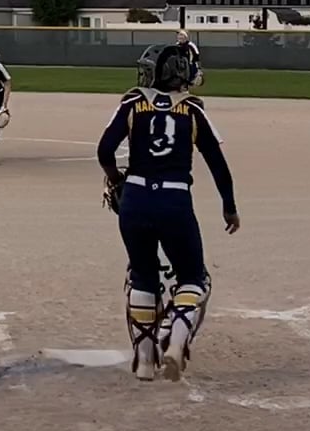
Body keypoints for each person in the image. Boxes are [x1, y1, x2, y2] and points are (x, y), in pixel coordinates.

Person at [97, 44, 238, 381]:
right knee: (192, 277)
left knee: (143, 276)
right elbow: (218, 165)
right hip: (174, 199)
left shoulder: (132, 103)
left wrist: (116, 179)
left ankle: (145, 362)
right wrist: (229, 207)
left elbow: (104, 151)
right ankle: (176, 343)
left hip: (134, 198)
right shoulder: (192, 109)